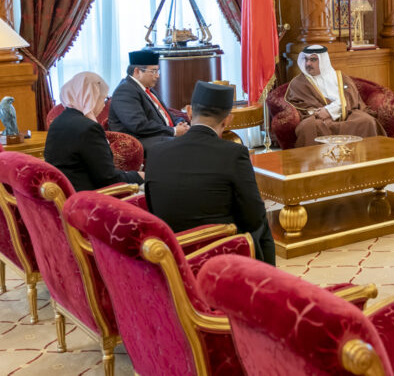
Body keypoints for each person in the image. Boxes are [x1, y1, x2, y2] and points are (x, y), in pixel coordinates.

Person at [145, 81, 275, 265]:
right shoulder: (234, 153)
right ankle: (267, 281)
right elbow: (253, 216)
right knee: (262, 224)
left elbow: (152, 206)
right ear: (228, 120)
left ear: (189, 112)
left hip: (169, 250)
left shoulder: (156, 151)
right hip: (218, 249)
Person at [44, 71, 144, 192]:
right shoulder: (89, 128)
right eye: (104, 98)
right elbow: (108, 179)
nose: (104, 105)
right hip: (88, 196)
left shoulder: (58, 121)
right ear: (91, 98)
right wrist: (138, 176)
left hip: (65, 191)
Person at [285, 45, 379, 146]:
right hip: (319, 118)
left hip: (346, 112)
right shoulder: (298, 83)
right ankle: (319, 156)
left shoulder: (341, 77)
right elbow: (300, 104)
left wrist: (330, 111)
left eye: (313, 59)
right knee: (308, 127)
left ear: (323, 61)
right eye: (306, 59)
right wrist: (320, 112)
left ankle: (363, 156)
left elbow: (351, 98)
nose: (308, 63)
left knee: (366, 121)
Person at [107, 49, 188, 152]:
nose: (157, 75)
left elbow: (165, 114)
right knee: (184, 145)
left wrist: (180, 123)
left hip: (158, 135)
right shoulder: (125, 90)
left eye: (157, 71)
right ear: (137, 71)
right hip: (140, 141)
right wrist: (173, 131)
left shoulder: (146, 88)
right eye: (153, 71)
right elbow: (139, 125)